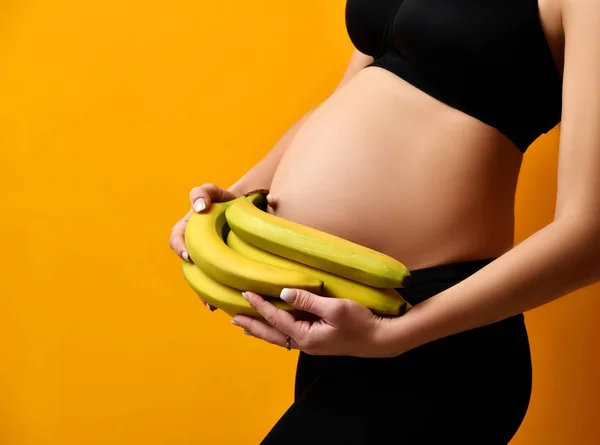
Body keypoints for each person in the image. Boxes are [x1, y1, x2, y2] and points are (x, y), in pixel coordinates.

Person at [170, 0, 600, 443]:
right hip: (342, 311)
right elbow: (350, 95)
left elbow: (590, 234)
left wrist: (395, 335)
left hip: (438, 331)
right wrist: (232, 201)